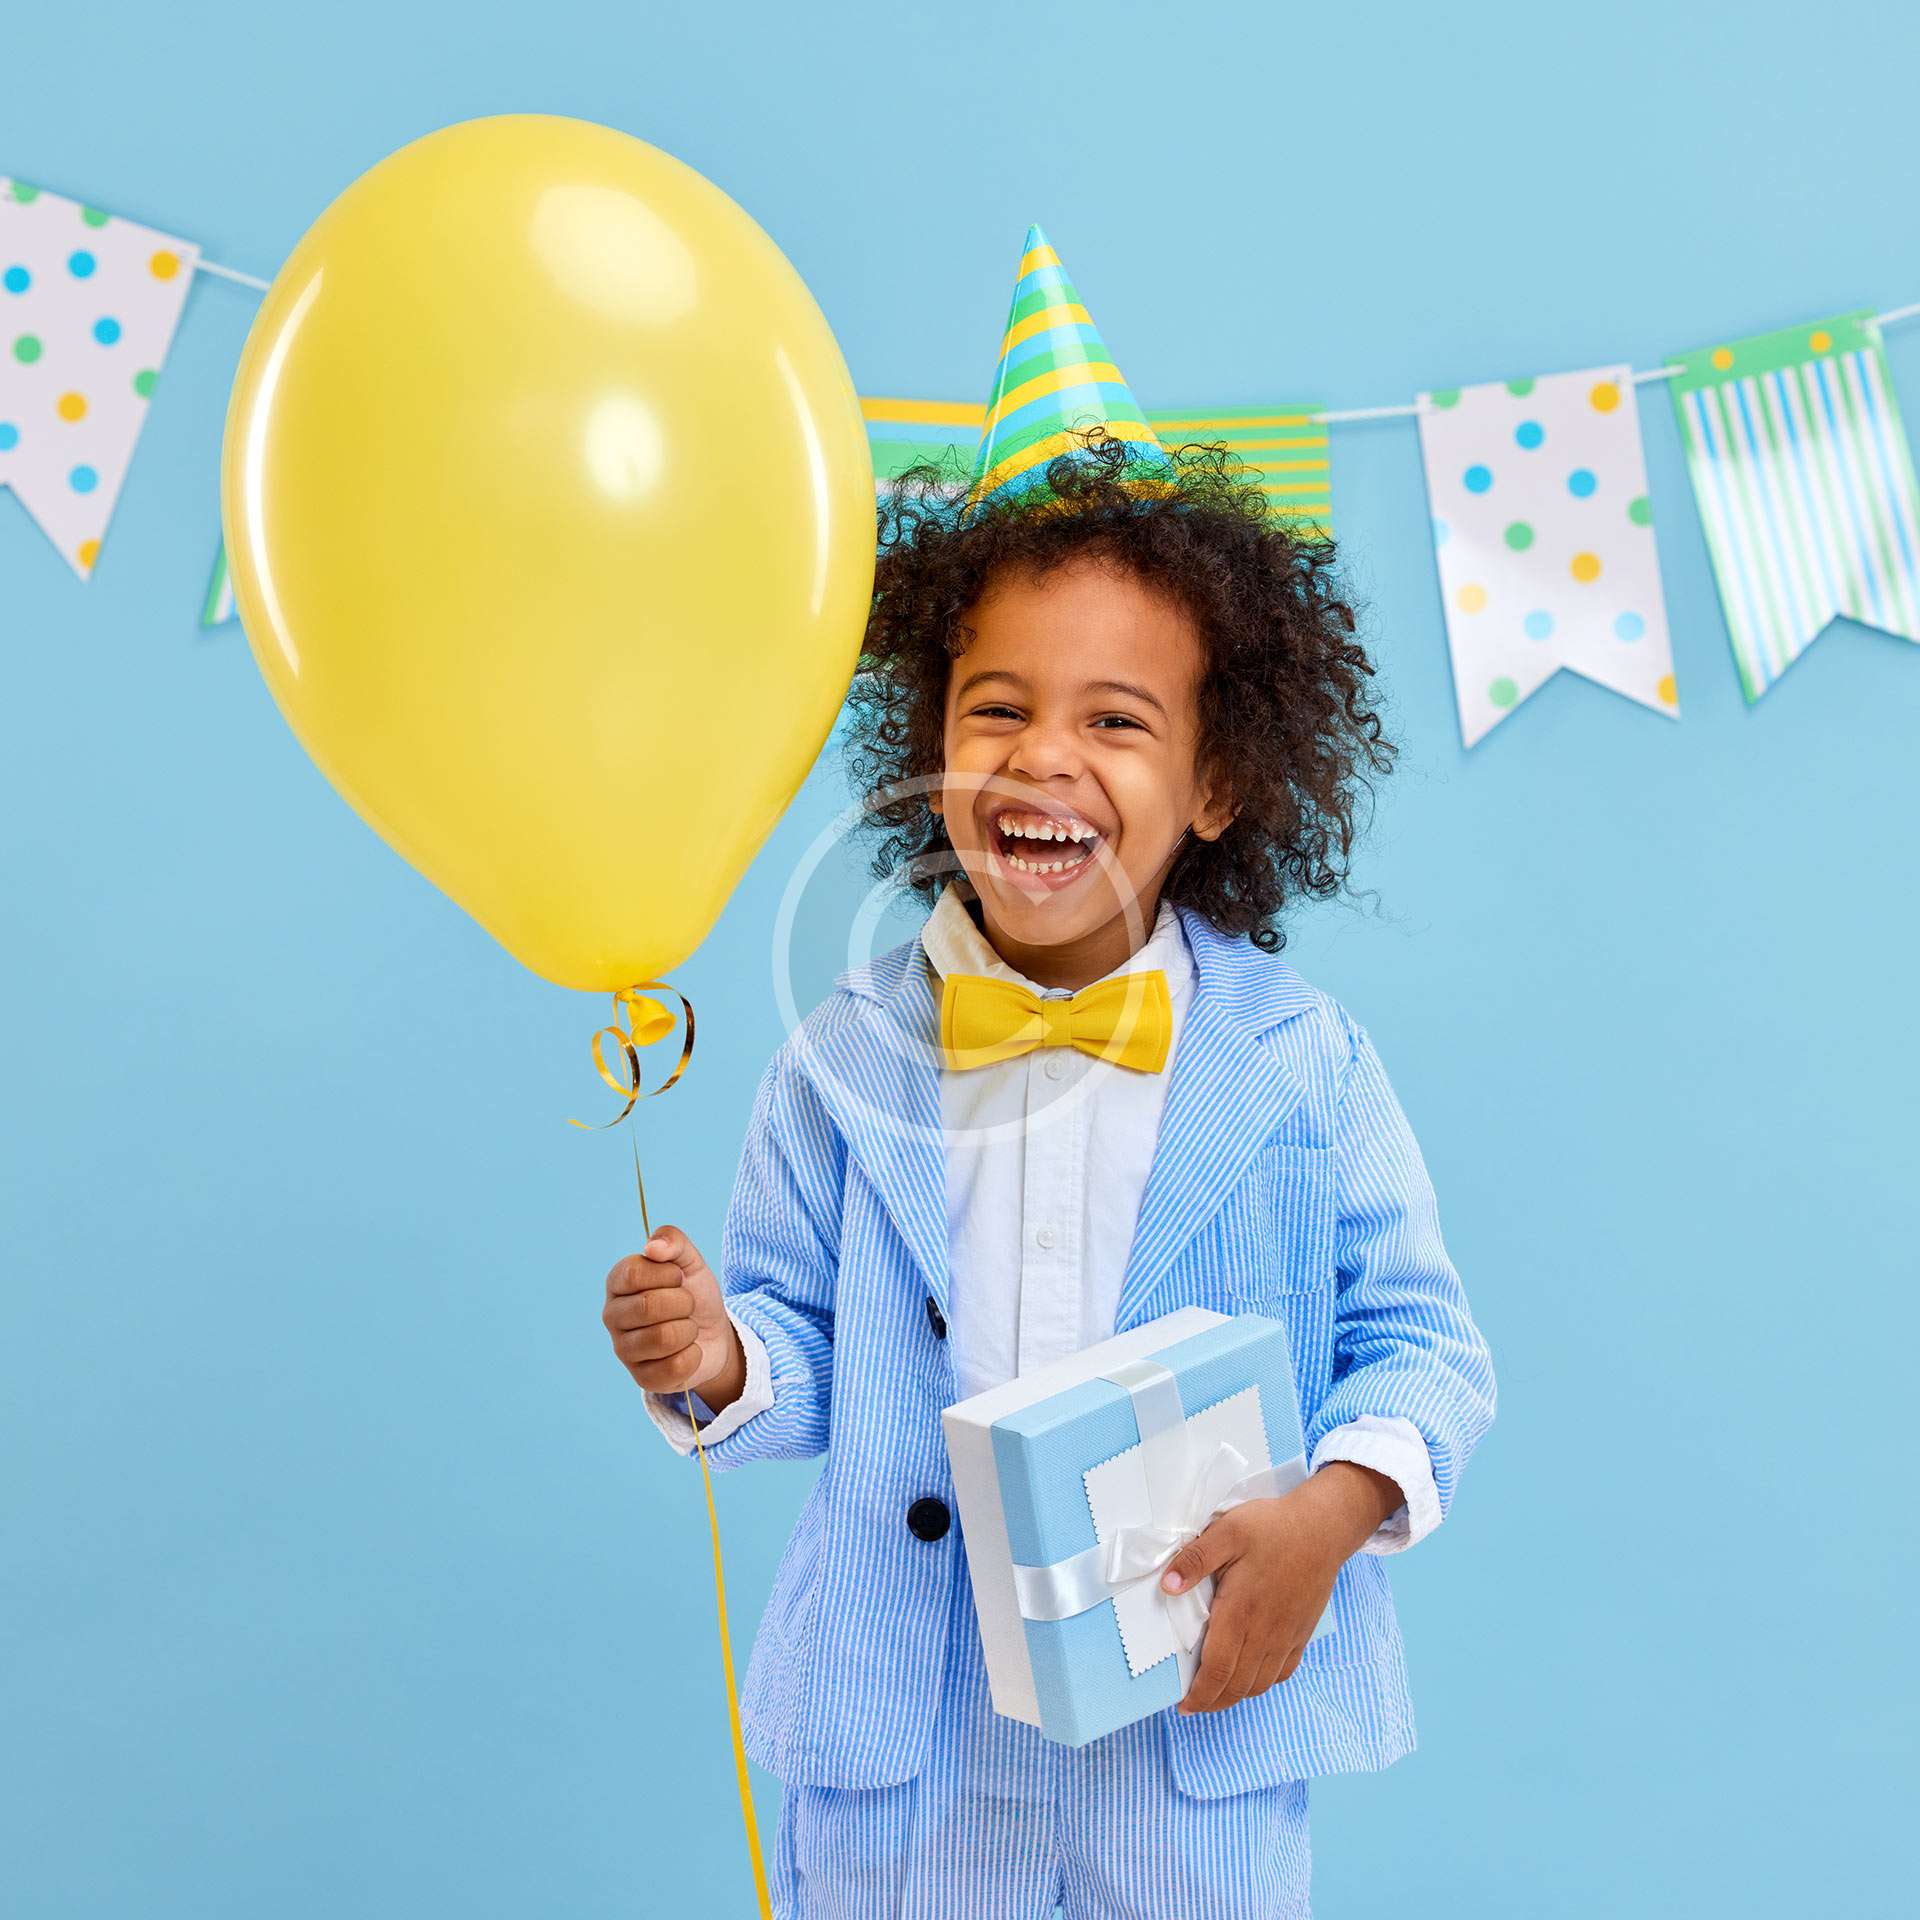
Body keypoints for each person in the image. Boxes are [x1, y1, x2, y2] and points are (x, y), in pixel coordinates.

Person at [601, 226, 1496, 1919]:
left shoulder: (1304, 1066)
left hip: (1193, 1716)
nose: (1045, 758)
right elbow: (797, 1349)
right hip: (908, 1733)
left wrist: (1331, 1513)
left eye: (1116, 721)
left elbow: (1426, 1349)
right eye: (997, 709)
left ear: (1218, 783)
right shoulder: (838, 1061)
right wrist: (716, 1355)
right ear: (928, 742)